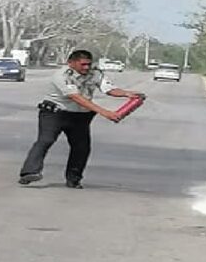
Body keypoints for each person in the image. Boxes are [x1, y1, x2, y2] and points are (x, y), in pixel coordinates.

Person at [18, 49, 144, 189]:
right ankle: (29, 172)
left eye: (88, 64)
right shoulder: (62, 76)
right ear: (71, 63)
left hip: (81, 116)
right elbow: (76, 97)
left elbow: (108, 89)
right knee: (45, 140)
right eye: (83, 64)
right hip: (55, 113)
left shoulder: (95, 73)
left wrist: (127, 94)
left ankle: (74, 179)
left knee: (82, 148)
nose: (86, 68)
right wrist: (105, 112)